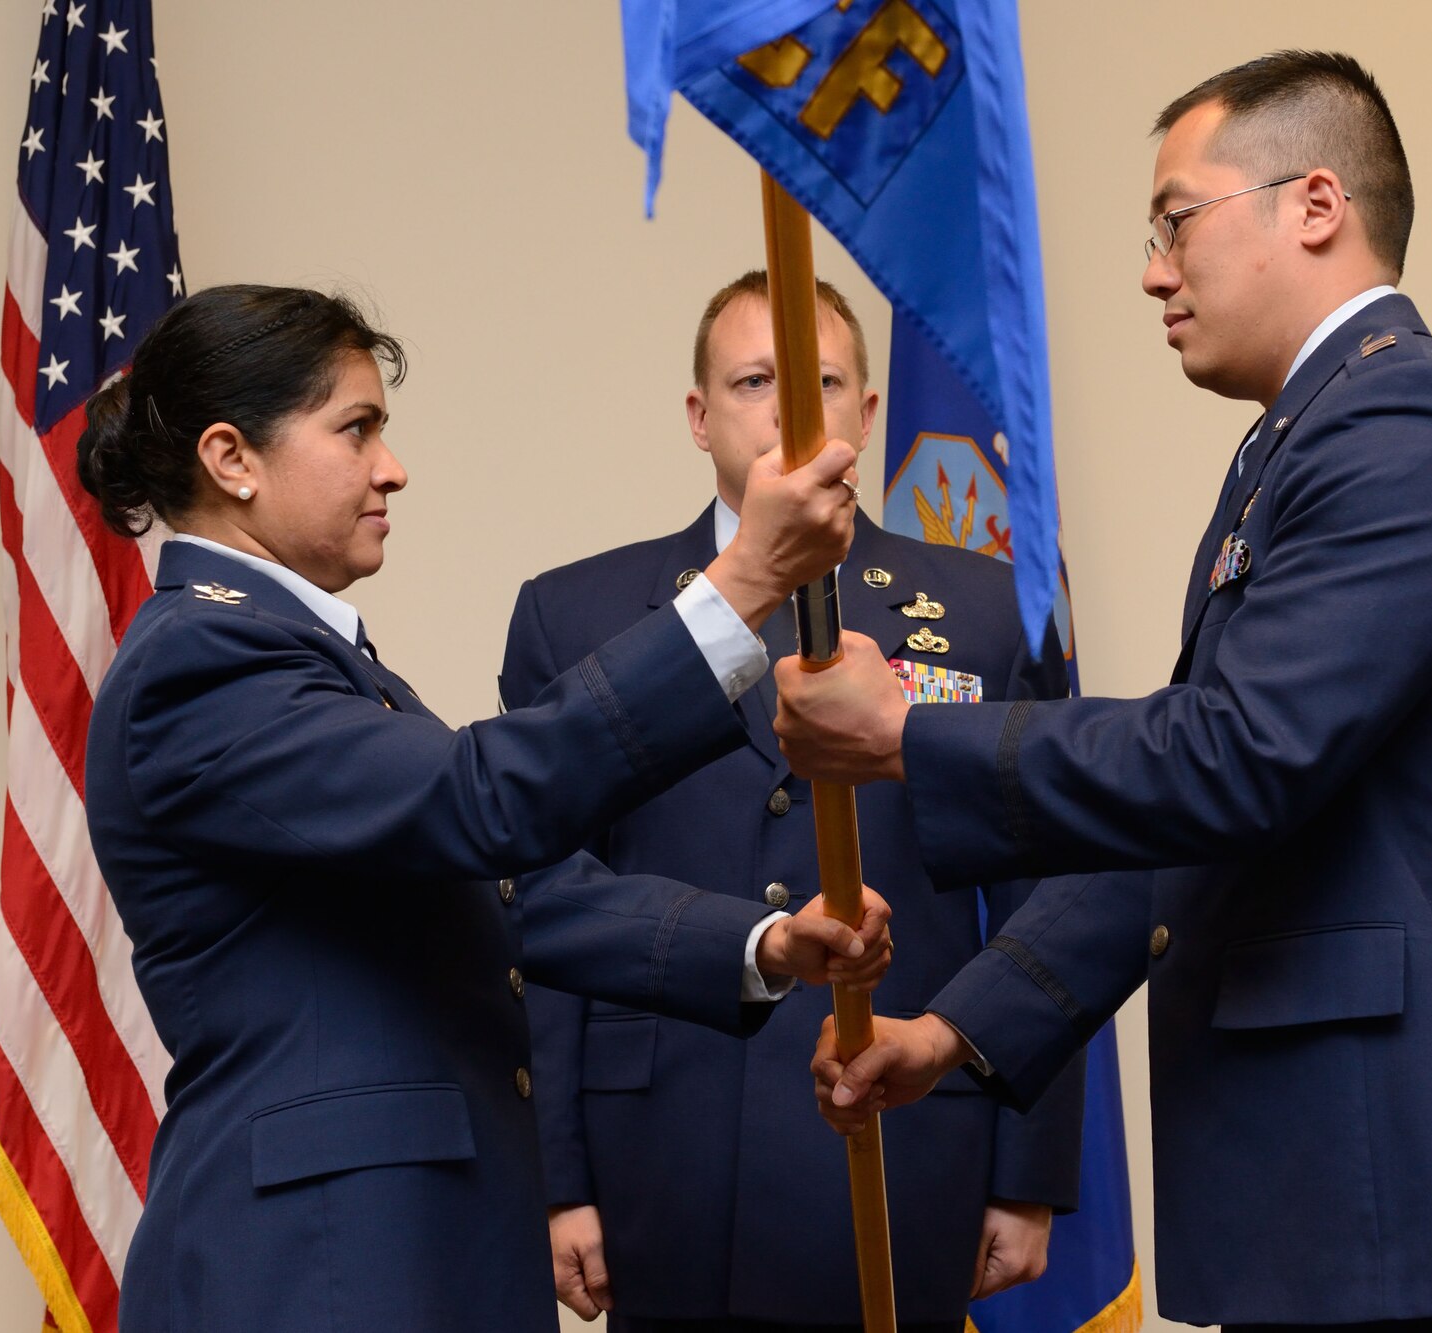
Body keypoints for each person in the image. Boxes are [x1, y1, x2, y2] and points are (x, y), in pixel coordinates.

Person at [778, 51, 1432, 1333]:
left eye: (1174, 219)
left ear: (1311, 205)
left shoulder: (1409, 427)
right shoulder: (1304, 442)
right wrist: (960, 1033)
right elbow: (1194, 828)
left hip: (1412, 1188)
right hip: (1342, 1198)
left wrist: (910, 733)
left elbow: (1235, 758)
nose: (1149, 269)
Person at [77, 283, 891, 1333]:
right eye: (356, 428)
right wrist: (739, 586)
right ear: (232, 459)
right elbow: (482, 802)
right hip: (319, 1269)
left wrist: (764, 942)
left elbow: (498, 891)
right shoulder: (201, 662)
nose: (392, 467)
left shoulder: (301, 657)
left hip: (407, 1250)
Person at [499, 271, 1085, 1333]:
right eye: (755, 380)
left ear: (865, 413)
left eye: (821, 381)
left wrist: (1027, 1164)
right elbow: (543, 898)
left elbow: (1052, 897)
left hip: (907, 1131)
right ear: (698, 416)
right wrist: (556, 1175)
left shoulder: (995, 612)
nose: (790, 408)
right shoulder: (572, 612)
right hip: (654, 1147)